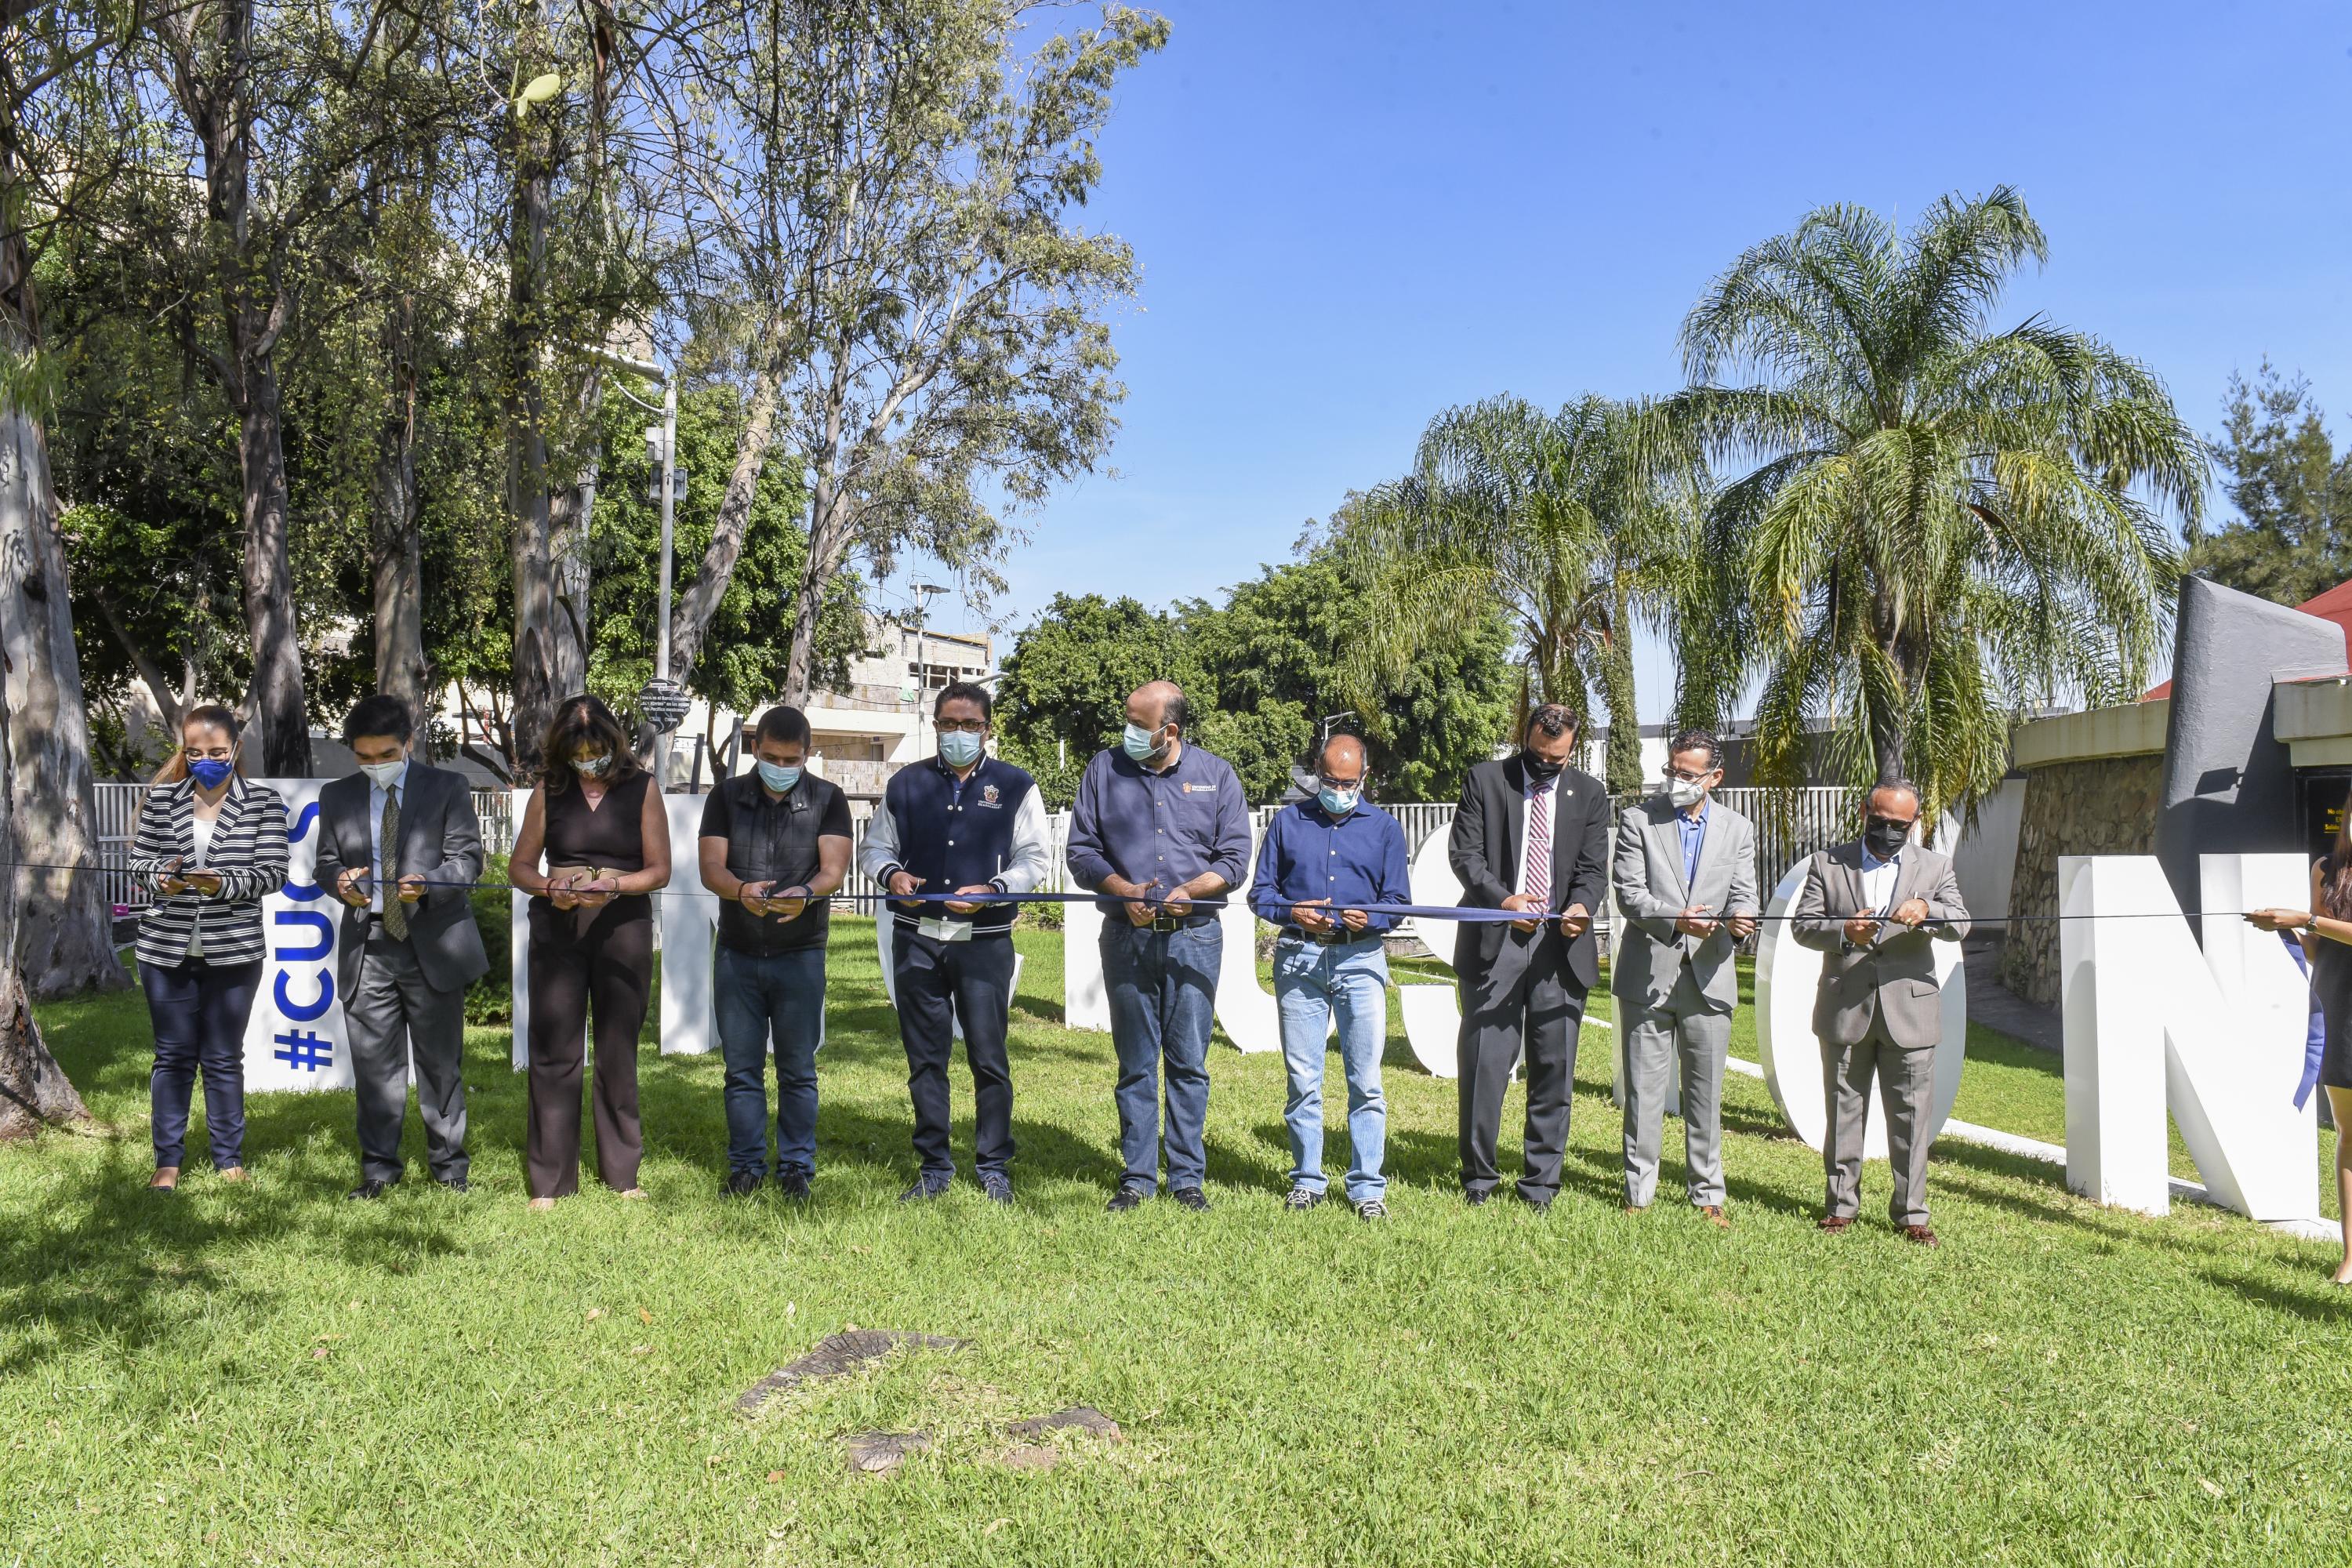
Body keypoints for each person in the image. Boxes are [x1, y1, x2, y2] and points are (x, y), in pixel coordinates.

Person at [858, 681, 1052, 1204]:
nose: (959, 733)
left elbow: (1035, 858)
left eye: (971, 725)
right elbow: (875, 847)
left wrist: (994, 891)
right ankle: (934, 1168)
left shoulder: (1015, 785)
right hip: (917, 940)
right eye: (949, 723)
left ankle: (993, 1165)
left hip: (983, 941)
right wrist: (892, 875)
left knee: (989, 1058)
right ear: (936, 724)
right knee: (926, 1059)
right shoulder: (906, 783)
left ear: (988, 729)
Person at [1066, 679, 1251, 1213]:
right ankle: (1138, 1178)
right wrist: (1124, 891)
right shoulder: (1104, 770)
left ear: (1168, 731)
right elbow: (1081, 850)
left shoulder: (1216, 776)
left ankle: (1187, 1178)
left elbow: (1235, 857)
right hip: (1126, 937)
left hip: (1195, 939)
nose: (1126, 731)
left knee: (1189, 1061)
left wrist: (1189, 893)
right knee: (1136, 1063)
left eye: (1136, 723)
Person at [314, 695, 490, 1200]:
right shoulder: (337, 795)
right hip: (366, 947)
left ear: (408, 744)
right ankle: (378, 1171)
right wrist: (340, 880)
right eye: (364, 758)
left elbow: (469, 860)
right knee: (375, 1067)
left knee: (440, 1063)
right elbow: (325, 862)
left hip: (431, 943)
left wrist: (431, 882)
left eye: (385, 755)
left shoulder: (447, 787)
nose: (375, 766)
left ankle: (450, 1169)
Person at [1789, 780, 1971, 1246]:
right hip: (1846, 1005)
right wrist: (1846, 931)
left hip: (1909, 1010)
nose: (1887, 831)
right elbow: (1804, 927)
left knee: (1910, 1116)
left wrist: (1927, 909)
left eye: (1899, 826)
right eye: (1879, 821)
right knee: (1843, 1110)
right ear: (1865, 812)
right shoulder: (1828, 864)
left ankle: (1912, 1215)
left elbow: (1961, 923)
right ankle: (1840, 1206)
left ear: (1913, 824)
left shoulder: (1934, 866)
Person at [507, 695, 671, 1209]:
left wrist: (616, 885)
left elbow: (660, 869)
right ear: (563, 750)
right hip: (558, 927)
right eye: (578, 753)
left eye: (597, 750)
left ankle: (623, 1175)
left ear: (613, 744)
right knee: (555, 1051)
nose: (588, 761)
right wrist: (548, 889)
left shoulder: (642, 789)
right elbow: (520, 867)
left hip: (623, 928)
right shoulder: (548, 791)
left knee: (617, 1051)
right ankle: (550, 1182)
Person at [1447, 703, 1610, 1210]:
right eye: (1539, 754)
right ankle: (1479, 1179)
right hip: (1496, 943)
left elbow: (1592, 868)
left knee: (1555, 1068)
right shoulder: (1486, 780)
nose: (1546, 765)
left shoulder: (1590, 793)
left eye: (1556, 759)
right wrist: (1503, 901)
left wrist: (1583, 905)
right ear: (1527, 736)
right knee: (1485, 1067)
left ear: (1571, 750)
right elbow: (1465, 856)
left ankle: (1540, 1184)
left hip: (1561, 947)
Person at [1247, 733, 1410, 1221]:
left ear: (1364, 778)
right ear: (1317, 774)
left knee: (1366, 1080)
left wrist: (1372, 918)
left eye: (1348, 782)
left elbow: (1398, 902)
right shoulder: (1288, 823)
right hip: (1300, 959)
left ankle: (1366, 1187)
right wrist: (1295, 912)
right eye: (1330, 781)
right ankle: (1307, 1180)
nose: (1339, 789)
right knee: (1303, 1078)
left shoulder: (1384, 829)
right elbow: (1261, 894)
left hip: (1360, 960)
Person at [126, 706, 289, 1192]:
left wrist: (222, 884)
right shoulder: (161, 800)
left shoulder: (263, 802)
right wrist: (161, 878)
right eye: (194, 752)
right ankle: (167, 1161)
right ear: (184, 750)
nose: (206, 761)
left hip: (234, 950)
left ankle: (227, 1156)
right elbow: (138, 863)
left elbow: (274, 871)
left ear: (236, 749)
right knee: (172, 1055)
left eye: (217, 752)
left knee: (222, 1056)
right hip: (163, 949)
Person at [698, 704, 853, 1200]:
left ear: (807, 755)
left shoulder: (830, 799)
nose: (782, 768)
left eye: (792, 760)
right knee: (741, 1069)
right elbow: (710, 868)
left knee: (798, 1069)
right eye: (772, 757)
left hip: (801, 952)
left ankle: (796, 1168)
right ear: (754, 750)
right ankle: (745, 1168)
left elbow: (833, 870)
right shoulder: (724, 797)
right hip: (737, 951)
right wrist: (742, 891)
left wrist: (806, 894)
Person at [1610, 728, 1759, 1227]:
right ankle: (1638, 1192)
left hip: (1710, 975)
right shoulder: (1637, 820)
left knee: (1705, 1095)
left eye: (1687, 775)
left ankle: (1706, 1193)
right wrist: (1678, 918)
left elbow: (1744, 894)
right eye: (1671, 771)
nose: (1675, 781)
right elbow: (1629, 895)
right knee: (1643, 1094)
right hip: (1646, 976)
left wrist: (1741, 921)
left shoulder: (1738, 830)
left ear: (1714, 778)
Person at [2248, 812, 2352, 1284]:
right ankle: (2351, 1259)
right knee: (2349, 1135)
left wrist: (2306, 918)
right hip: (2339, 1007)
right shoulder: (2326, 871)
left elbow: (2320, 925)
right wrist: (2284, 928)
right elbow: (2318, 949)